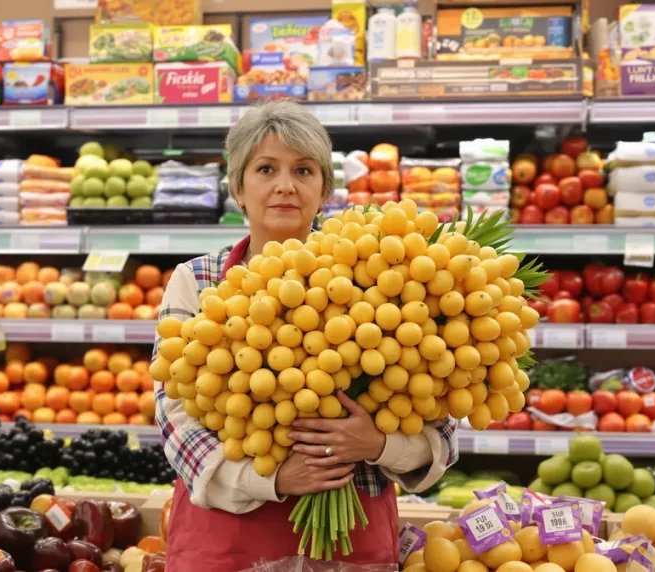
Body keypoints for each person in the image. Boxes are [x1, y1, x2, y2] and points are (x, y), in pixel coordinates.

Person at [152, 100, 460, 571]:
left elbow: (442, 425)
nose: (285, 185)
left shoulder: (378, 275)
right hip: (228, 531)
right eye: (265, 169)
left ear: (323, 190)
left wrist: (376, 445)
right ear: (237, 186)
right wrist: (272, 477)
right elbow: (175, 416)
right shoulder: (198, 281)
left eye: (303, 170)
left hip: (351, 537)